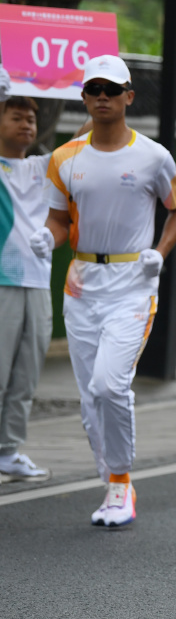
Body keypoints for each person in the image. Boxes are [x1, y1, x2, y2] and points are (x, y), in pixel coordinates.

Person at [31, 55, 176, 526]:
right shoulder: (66, 158)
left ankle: (120, 483)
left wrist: (159, 252)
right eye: (93, 89)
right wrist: (48, 237)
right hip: (82, 284)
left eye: (111, 89)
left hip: (132, 283)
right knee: (89, 397)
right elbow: (59, 219)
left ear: (128, 97)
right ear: (84, 97)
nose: (102, 97)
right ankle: (111, 485)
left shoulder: (153, 156)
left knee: (109, 384)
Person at [0, 71, 53, 483]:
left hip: (37, 281)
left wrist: (86, 86)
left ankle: (8, 451)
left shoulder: (44, 167)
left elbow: (93, 132)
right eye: (16, 116)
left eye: (30, 119)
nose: (26, 124)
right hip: (2, 281)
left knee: (25, 373)